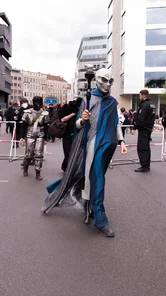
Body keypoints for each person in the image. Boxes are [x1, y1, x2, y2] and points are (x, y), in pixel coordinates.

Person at [41, 68, 128, 238]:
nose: (107, 84)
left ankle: (90, 207)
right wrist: (83, 119)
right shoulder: (88, 99)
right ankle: (100, 217)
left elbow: (116, 124)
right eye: (104, 80)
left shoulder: (112, 102)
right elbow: (78, 126)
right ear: (97, 80)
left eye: (110, 81)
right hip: (92, 144)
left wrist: (121, 142)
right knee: (96, 178)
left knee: (93, 177)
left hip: (107, 146)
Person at [19, 96, 50, 180]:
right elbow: (23, 125)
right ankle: (25, 167)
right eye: (37, 102)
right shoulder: (27, 112)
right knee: (29, 154)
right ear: (33, 103)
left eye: (40, 102)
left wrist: (46, 138)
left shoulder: (45, 113)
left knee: (39, 154)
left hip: (40, 134)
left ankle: (38, 172)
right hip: (29, 133)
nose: (38, 104)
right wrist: (21, 137)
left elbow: (46, 126)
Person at [133, 89, 155, 172]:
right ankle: (146, 165)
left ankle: (144, 166)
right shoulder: (151, 105)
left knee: (142, 148)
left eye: (140, 96)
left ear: (143, 95)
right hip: (148, 129)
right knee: (146, 147)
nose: (139, 97)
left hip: (144, 129)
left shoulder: (144, 105)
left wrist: (135, 127)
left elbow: (141, 119)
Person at [58, 97, 82, 172]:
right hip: (67, 134)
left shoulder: (80, 110)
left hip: (76, 134)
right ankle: (67, 168)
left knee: (73, 152)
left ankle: (67, 166)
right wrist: (73, 114)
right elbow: (62, 119)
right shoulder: (67, 108)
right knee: (68, 152)